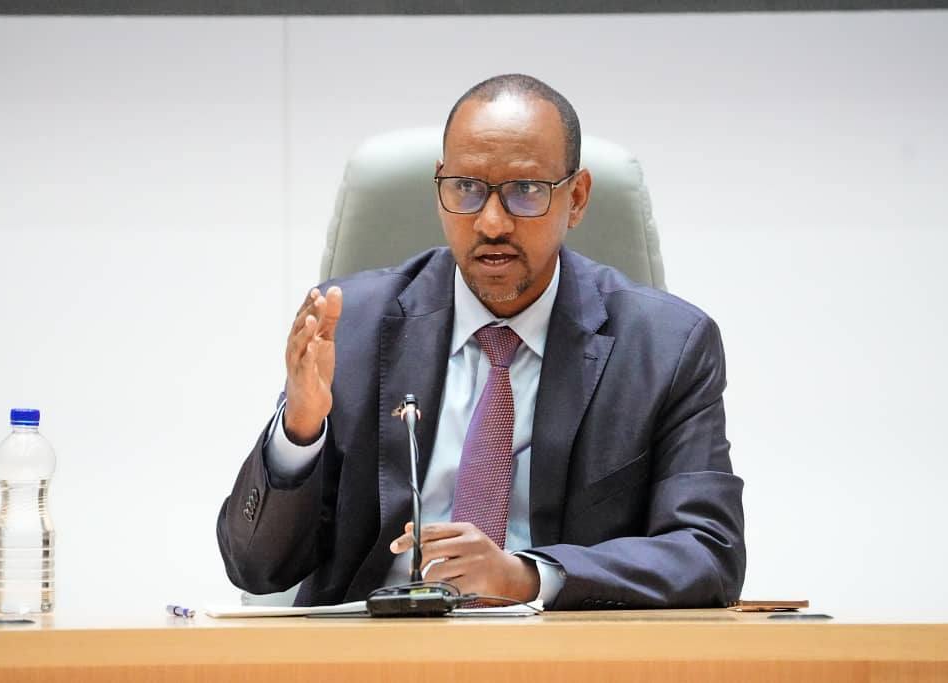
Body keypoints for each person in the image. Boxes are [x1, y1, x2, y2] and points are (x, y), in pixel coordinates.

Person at [217, 74, 745, 610]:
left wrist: (526, 576)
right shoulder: (352, 328)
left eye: (526, 191)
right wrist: (299, 430)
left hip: (564, 645)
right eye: (466, 188)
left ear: (577, 198)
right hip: (379, 644)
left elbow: (709, 553)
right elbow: (256, 568)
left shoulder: (666, 347)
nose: (492, 223)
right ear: (439, 190)